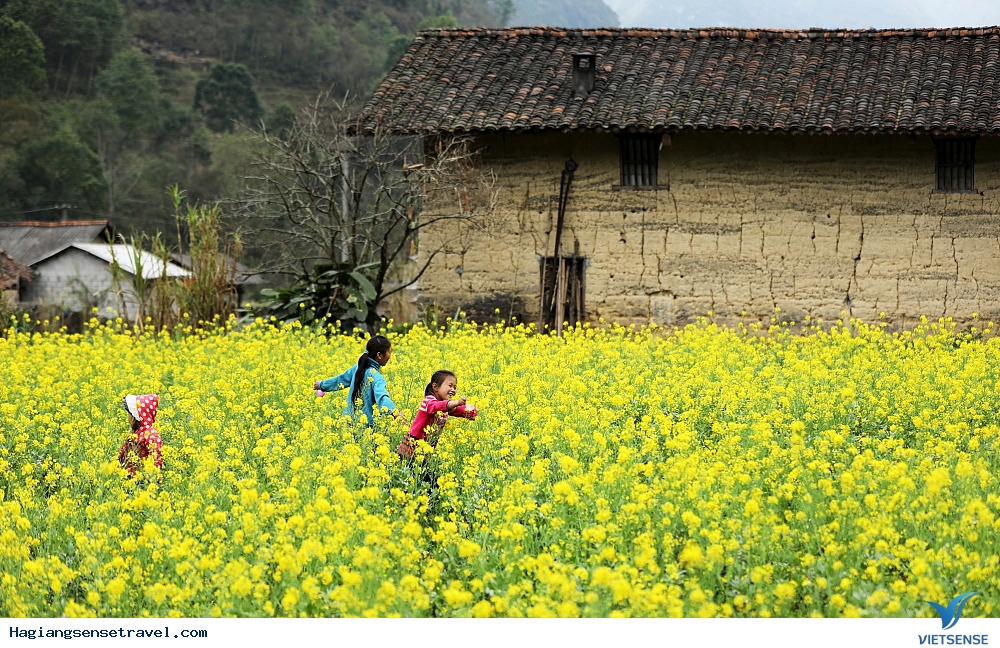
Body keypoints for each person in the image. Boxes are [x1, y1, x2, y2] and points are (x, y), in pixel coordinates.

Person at [314, 335, 401, 426]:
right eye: (389, 352)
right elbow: (382, 397)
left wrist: (321, 385)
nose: (390, 356)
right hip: (365, 427)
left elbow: (339, 380)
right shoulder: (376, 377)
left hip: (347, 422)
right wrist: (396, 414)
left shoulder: (358, 368)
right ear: (379, 355)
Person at [397, 369, 478, 459]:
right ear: (435, 387)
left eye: (455, 387)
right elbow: (437, 406)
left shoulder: (445, 406)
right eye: (450, 386)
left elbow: (458, 410)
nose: (453, 390)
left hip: (426, 450)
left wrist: (472, 412)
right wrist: (456, 402)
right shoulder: (428, 402)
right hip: (410, 450)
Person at [118, 394, 163, 476]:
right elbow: (123, 452)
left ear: (136, 416)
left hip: (143, 479)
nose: (128, 418)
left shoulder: (151, 434)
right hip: (128, 476)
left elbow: (157, 456)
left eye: (129, 414)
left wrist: (153, 476)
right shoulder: (134, 432)